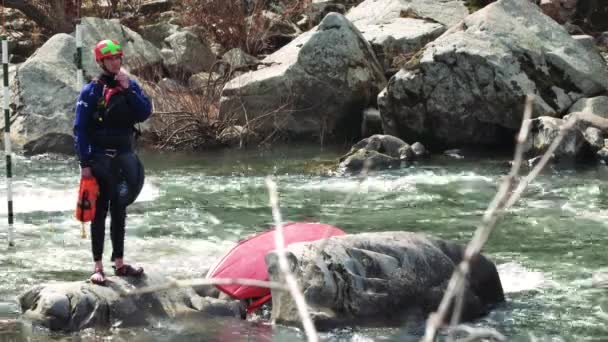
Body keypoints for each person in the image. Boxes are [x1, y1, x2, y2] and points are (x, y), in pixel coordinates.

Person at [73, 39, 152, 285]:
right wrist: (85, 164)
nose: (115, 62)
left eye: (118, 57)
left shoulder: (130, 85)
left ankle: (119, 262)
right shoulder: (91, 91)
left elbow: (144, 112)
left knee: (120, 209)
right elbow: (80, 130)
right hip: (99, 160)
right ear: (101, 62)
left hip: (124, 158)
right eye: (110, 59)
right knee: (100, 211)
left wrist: (128, 88)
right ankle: (97, 267)